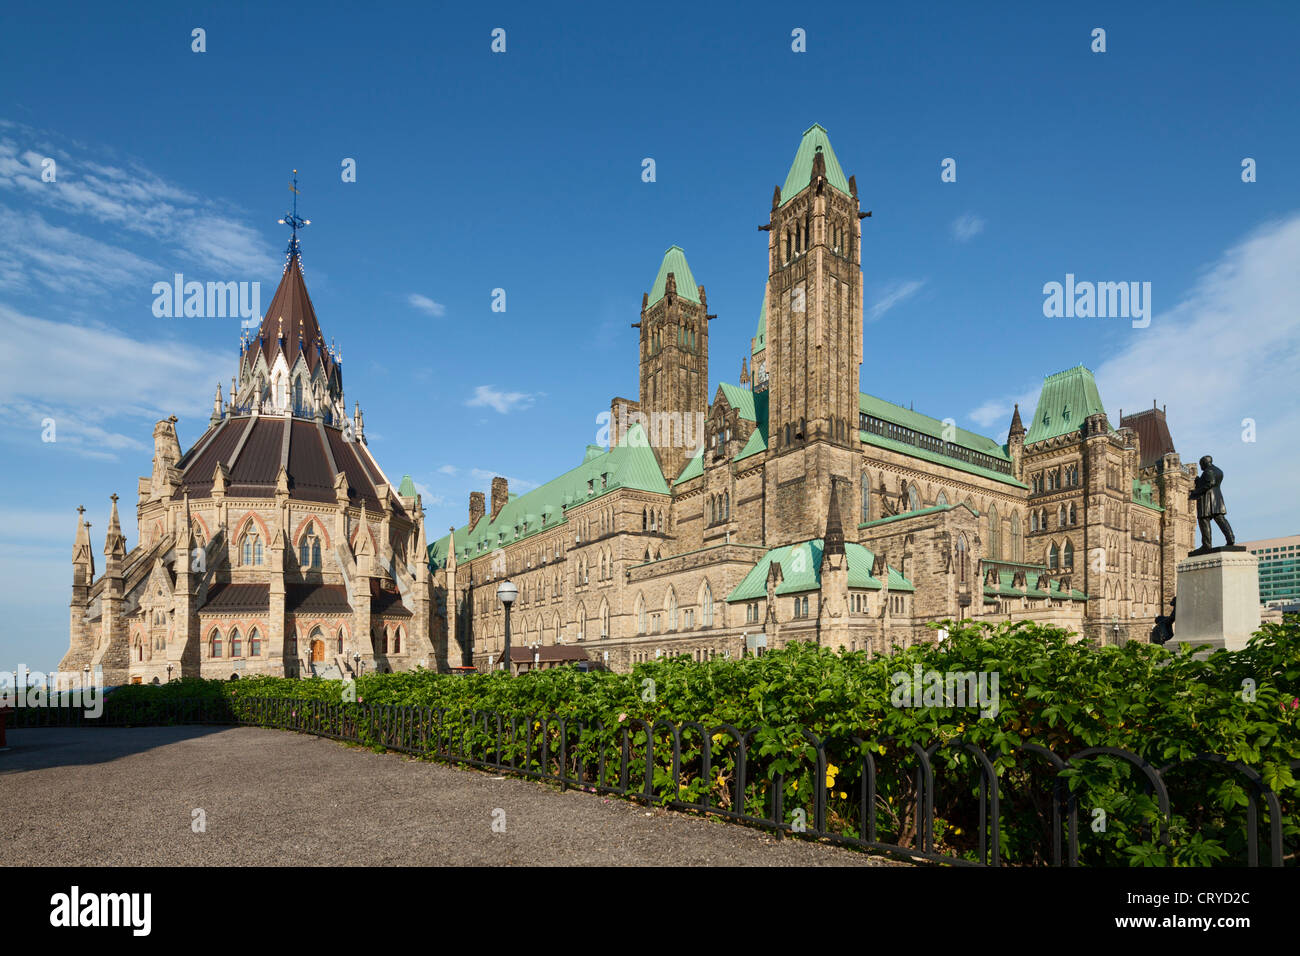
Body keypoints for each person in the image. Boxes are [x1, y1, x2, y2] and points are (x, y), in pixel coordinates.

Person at [1189, 455, 1235, 549]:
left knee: (1204, 520)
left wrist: (1196, 491)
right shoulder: (1218, 471)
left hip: (1207, 500)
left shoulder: (1208, 471)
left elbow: (1210, 483)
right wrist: (1199, 481)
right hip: (1217, 499)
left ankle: (1207, 544)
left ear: (1204, 463)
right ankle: (1230, 538)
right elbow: (1212, 483)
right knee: (1220, 519)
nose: (1201, 467)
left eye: (1201, 464)